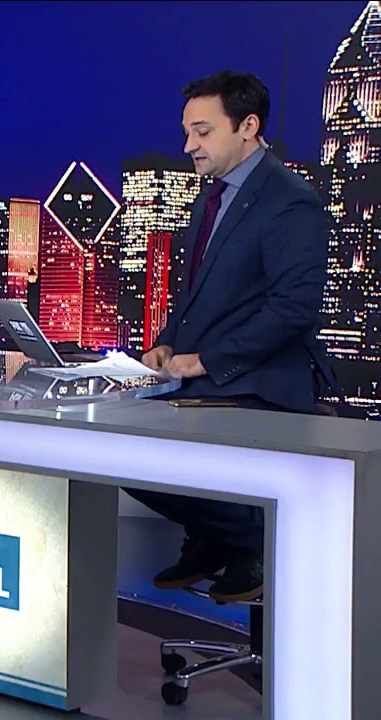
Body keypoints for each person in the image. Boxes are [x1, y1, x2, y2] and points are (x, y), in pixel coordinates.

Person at [129, 70, 329, 603]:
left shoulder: (289, 201)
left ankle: (251, 539)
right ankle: (217, 536)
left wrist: (205, 361)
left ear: (248, 127)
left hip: (259, 382)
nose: (189, 146)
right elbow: (194, 295)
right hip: (207, 378)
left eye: (202, 132)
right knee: (110, 439)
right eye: (187, 132)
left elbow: (293, 310)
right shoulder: (212, 198)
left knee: (135, 444)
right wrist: (167, 343)